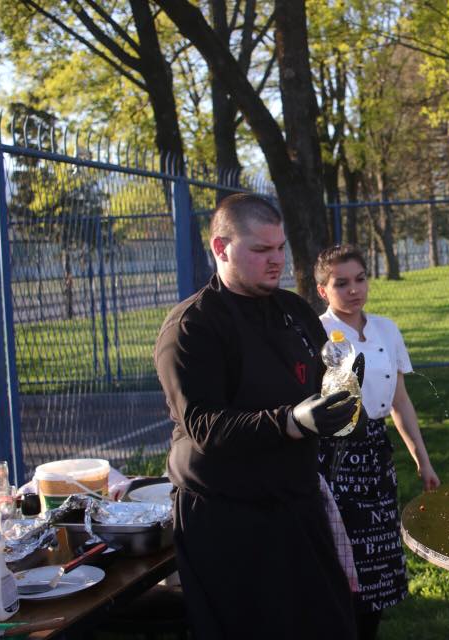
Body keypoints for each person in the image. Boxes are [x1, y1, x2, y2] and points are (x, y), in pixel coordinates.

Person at [155, 194, 362, 639]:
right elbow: (206, 427)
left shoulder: (295, 312)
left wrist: (339, 393)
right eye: (261, 250)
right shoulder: (193, 326)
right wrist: (293, 421)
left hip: (297, 503)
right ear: (220, 248)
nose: (276, 261)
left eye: (280, 248)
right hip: (228, 518)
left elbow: (322, 379)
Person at [314, 244, 441, 640]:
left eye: (360, 279)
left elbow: (400, 399)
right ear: (323, 290)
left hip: (376, 457)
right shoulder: (316, 332)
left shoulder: (386, 328)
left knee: (378, 567)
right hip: (335, 458)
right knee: (341, 563)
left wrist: (423, 460)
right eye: (341, 283)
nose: (354, 290)